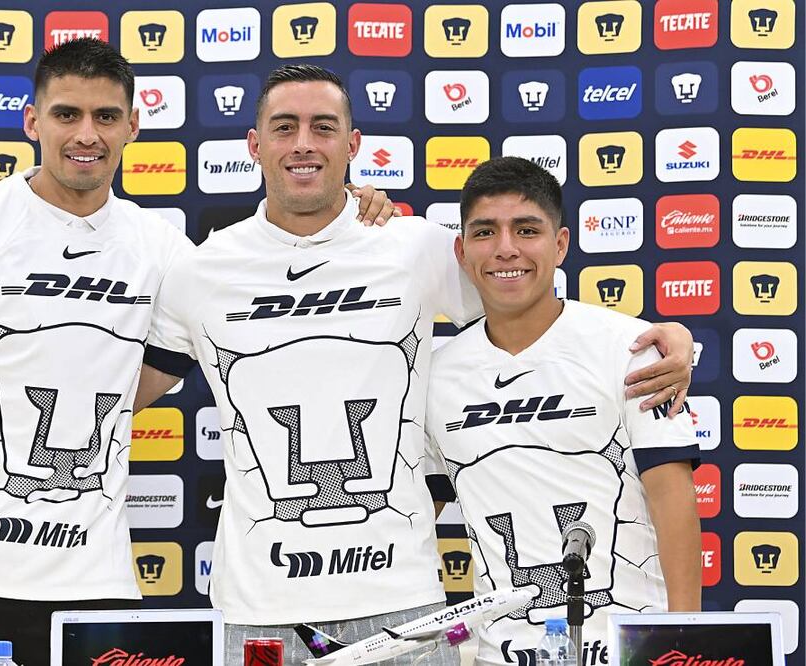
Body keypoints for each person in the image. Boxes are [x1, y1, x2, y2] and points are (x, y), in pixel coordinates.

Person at [0, 39, 394, 666]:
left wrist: (357, 214)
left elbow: (277, 274)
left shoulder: (164, 251)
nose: (87, 134)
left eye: (106, 117)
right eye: (66, 114)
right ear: (32, 121)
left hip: (92, 587)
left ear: (133, 126)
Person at [133, 66, 694, 664]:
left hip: (406, 603)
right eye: (284, 127)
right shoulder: (200, 271)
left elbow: (530, 301)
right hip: (257, 610)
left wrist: (672, 340)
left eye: (323, 127)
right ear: (254, 143)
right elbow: (119, 385)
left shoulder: (413, 246)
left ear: (352, 146)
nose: (303, 143)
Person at [424, 157, 701, 666]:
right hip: (500, 654)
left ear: (560, 244)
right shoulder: (435, 378)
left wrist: (684, 639)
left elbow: (674, 501)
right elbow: (416, 513)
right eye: (485, 232)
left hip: (629, 648)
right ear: (462, 252)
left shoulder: (629, 348)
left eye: (526, 229)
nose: (506, 248)